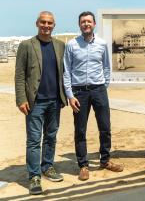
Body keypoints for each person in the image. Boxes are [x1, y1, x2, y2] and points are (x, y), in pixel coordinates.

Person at [63, 11, 123, 181]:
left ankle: (105, 160)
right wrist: (70, 95)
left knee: (105, 127)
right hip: (79, 92)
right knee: (80, 130)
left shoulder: (102, 44)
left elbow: (106, 67)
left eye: (89, 21)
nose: (86, 24)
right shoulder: (72, 45)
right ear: (79, 25)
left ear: (94, 24)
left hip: (98, 90)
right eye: (83, 22)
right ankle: (83, 165)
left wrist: (102, 87)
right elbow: (66, 71)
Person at [15, 11, 67, 195]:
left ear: (54, 25)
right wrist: (21, 99)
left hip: (55, 101)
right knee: (34, 141)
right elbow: (20, 75)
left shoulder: (60, 46)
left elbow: (64, 73)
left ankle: (47, 167)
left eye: (50, 23)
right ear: (37, 23)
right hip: (34, 102)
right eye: (43, 22)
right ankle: (34, 176)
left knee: (51, 137)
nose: (46, 25)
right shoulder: (27, 45)